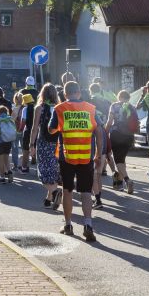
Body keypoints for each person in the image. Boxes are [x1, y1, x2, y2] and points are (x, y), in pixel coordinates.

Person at [49, 81, 104, 242]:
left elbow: (51, 130)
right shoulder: (90, 108)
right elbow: (99, 130)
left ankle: (68, 225)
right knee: (86, 192)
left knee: (67, 190)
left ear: (65, 94)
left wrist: (61, 126)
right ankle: (88, 225)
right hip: (86, 156)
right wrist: (98, 154)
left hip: (67, 157)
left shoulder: (59, 109)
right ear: (79, 93)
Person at [28, 84, 62, 209]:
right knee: (53, 170)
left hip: (44, 143)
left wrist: (31, 144)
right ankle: (49, 199)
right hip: (57, 142)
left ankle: (55, 192)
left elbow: (35, 128)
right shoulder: (60, 107)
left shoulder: (39, 108)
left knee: (43, 171)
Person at [106, 90, 138, 194]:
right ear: (128, 98)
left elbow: (110, 121)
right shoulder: (132, 107)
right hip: (129, 136)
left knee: (118, 160)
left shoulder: (114, 106)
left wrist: (105, 133)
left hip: (116, 134)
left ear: (119, 97)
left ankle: (127, 180)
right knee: (122, 159)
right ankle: (119, 184)